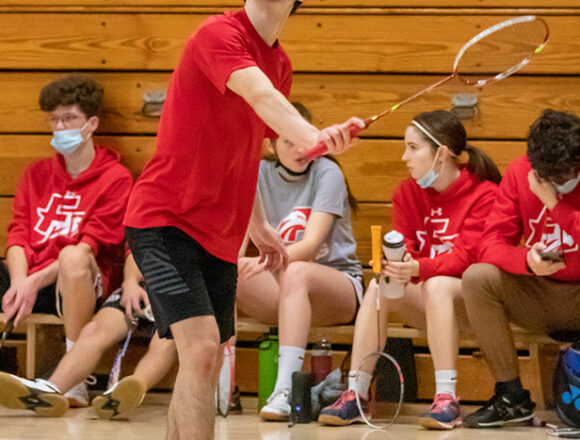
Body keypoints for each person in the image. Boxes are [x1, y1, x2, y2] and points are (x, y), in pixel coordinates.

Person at [122, 1, 364, 439]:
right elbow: (261, 96)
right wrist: (313, 135)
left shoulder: (280, 63)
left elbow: (246, 148)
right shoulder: (218, 34)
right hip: (164, 220)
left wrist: (258, 224)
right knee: (200, 351)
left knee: (206, 356)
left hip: (218, 236)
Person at [318, 110, 501, 429]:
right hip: (428, 300)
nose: (405, 157)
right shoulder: (407, 192)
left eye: (413, 148)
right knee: (379, 286)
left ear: (441, 153)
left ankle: (447, 398)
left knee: (439, 284)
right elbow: (407, 251)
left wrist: (417, 267)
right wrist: (396, 265)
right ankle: (357, 393)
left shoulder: (485, 194)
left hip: (471, 306)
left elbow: (466, 259)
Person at [0, 75, 133, 407]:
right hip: (29, 280)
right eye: (54, 119)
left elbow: (91, 246)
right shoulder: (36, 174)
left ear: (91, 124)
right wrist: (19, 281)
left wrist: (32, 282)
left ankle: (75, 380)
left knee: (73, 256)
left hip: (78, 282)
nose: (60, 127)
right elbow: (18, 234)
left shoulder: (115, 178)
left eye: (69, 118)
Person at [235, 102, 364, 421]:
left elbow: (309, 245)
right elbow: (239, 238)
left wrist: (264, 262)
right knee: (225, 272)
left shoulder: (328, 172)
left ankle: (285, 389)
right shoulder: (258, 173)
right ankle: (221, 387)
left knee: (296, 270)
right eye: (288, 141)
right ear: (271, 144)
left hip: (337, 288)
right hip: (286, 288)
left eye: (303, 139)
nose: (299, 149)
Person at [461, 109, 580, 429]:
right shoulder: (519, 172)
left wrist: (555, 204)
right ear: (536, 168)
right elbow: (489, 243)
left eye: (569, 176)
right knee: (477, 278)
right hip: (540, 293)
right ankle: (511, 396)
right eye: (553, 179)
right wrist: (526, 260)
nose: (562, 184)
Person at [0, 254, 177, 418]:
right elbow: (135, 253)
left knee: (168, 338)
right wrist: (130, 283)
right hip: (142, 288)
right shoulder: (148, 230)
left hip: (181, 293)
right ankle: (50, 389)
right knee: (94, 330)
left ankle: (132, 388)